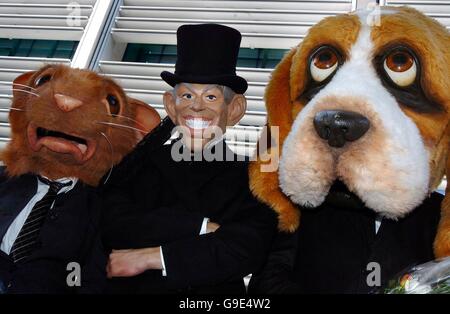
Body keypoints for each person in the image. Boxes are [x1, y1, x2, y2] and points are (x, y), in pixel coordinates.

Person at [100, 23, 277, 294]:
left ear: (235, 109)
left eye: (210, 96)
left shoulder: (254, 175)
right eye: (186, 95)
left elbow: (245, 248)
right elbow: (112, 223)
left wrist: (151, 256)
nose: (196, 106)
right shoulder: (138, 163)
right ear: (171, 105)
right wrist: (200, 227)